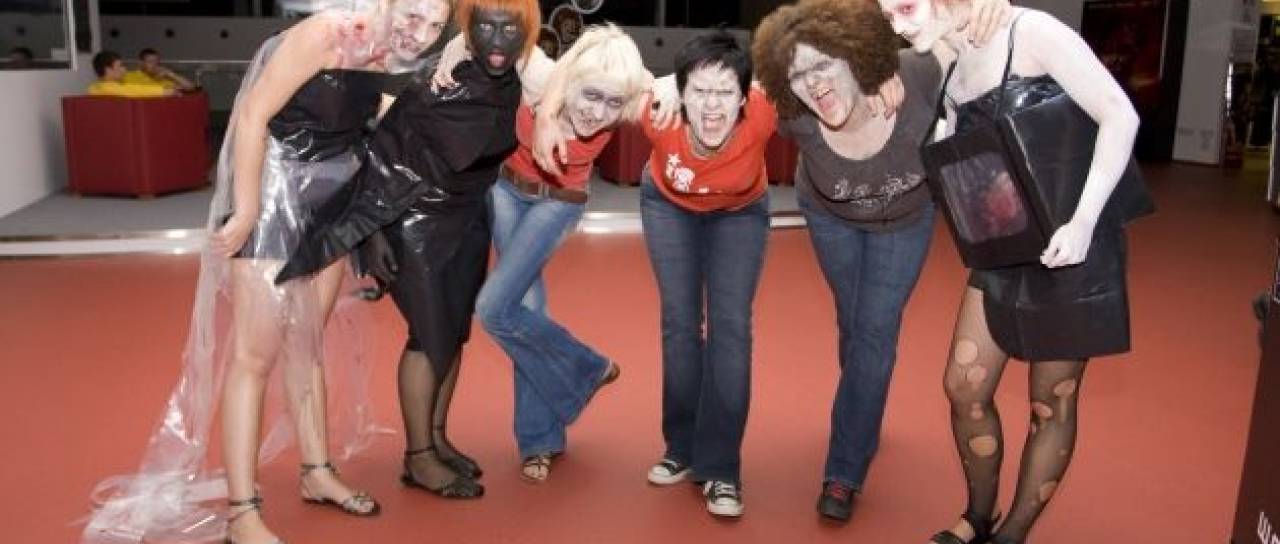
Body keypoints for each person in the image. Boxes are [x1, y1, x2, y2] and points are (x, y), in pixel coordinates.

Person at [81, 2, 449, 543]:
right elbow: (253, 114)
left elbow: (372, 116)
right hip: (275, 191)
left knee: (309, 343)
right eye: (414, 15)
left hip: (332, 199)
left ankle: (317, 472)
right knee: (254, 357)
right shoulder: (326, 33)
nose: (422, 33)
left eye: (436, 25)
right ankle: (241, 511)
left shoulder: (391, 53)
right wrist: (249, 209)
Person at [878, 1, 1149, 543]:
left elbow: (1120, 114)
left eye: (905, 9)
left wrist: (1083, 222)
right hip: (1005, 245)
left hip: (1071, 246)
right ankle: (978, 517)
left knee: (1052, 402)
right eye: (888, 18)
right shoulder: (949, 56)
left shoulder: (1032, 32)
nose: (900, 27)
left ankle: (1013, 533)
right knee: (964, 388)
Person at [751, 0, 1010, 523]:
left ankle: (844, 469)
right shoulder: (794, 112)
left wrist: (993, 4)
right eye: (798, 73)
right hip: (829, 215)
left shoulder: (914, 75)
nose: (813, 82)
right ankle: (863, 403)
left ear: (857, 57)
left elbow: (961, 36)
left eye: (825, 64)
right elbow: (717, 85)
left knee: (874, 331)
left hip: (905, 220)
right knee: (853, 321)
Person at [276, 0, 541, 500]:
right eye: (486, 28)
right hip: (413, 220)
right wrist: (374, 233)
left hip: (467, 218)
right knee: (429, 336)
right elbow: (382, 152)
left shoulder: (512, 80)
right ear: (469, 31)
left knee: (454, 333)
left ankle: (436, 439)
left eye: (510, 30)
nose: (498, 40)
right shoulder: (437, 83)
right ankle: (418, 457)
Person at [449, 24, 649, 483]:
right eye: (591, 96)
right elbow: (476, 35)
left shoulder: (632, 93)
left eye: (612, 103)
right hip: (505, 190)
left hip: (559, 202)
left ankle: (587, 368)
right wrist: (446, 60)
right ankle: (541, 439)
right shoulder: (542, 77)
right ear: (571, 80)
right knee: (528, 310)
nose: (598, 112)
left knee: (493, 308)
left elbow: (689, 84)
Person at [88, 51, 175, 98]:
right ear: (108, 70)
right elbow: (131, 90)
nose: (124, 69)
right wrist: (163, 91)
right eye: (120, 66)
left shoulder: (109, 86)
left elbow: (130, 88)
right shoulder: (101, 87)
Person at [122, 48, 197, 92]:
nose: (154, 65)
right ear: (141, 63)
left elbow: (190, 87)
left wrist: (171, 74)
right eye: (150, 62)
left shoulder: (162, 79)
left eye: (157, 62)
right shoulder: (129, 76)